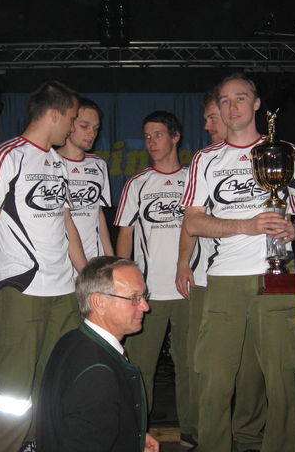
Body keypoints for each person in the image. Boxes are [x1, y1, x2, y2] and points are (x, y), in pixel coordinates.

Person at [181, 73, 295, 452]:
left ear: (256, 104)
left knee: (281, 379)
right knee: (214, 380)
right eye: (224, 100)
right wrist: (246, 225)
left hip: (276, 275)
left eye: (240, 98)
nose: (232, 106)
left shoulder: (284, 151)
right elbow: (192, 222)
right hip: (224, 280)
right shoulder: (206, 159)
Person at [0, 79, 87, 452]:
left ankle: (35, 444)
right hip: (23, 290)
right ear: (54, 114)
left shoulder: (57, 161)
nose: (73, 126)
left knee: (51, 382)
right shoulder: (7, 156)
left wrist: (86, 279)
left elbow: (67, 224)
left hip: (63, 292)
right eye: (71, 118)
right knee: (14, 391)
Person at [175, 88, 267, 450]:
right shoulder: (206, 161)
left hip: (254, 272)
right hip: (210, 278)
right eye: (210, 117)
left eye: (213, 117)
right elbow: (190, 222)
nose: (209, 125)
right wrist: (183, 262)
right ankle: (205, 435)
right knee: (210, 364)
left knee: (252, 365)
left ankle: (248, 435)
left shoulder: (266, 156)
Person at [114, 110, 192, 443]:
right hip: (148, 294)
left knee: (190, 367)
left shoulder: (194, 179)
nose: (151, 142)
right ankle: (137, 433)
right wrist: (124, 284)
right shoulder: (137, 183)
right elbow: (126, 234)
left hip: (189, 290)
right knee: (139, 368)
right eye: (147, 136)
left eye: (158, 134)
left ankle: (193, 432)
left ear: (175, 137)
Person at [36, 256, 159, 452]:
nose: (145, 306)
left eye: (144, 296)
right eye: (135, 298)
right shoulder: (98, 373)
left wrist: (132, 436)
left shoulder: (72, 340)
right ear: (99, 302)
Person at [57, 97, 113, 259]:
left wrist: (111, 259)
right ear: (69, 123)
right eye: (84, 126)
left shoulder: (99, 165)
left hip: (94, 259)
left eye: (96, 128)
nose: (92, 133)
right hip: (61, 261)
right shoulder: (48, 162)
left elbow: (99, 214)